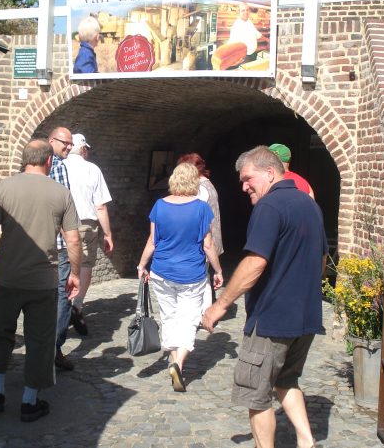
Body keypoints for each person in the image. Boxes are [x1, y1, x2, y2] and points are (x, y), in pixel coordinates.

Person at [202, 145, 327, 448]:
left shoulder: (269, 207)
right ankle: (307, 441)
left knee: (255, 395)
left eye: (248, 178)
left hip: (271, 319)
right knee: (286, 380)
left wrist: (220, 304)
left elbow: (255, 262)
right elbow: (322, 259)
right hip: (306, 317)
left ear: (270, 172)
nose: (243, 187)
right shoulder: (310, 204)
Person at [0, 139, 81, 423]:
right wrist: (74, 273)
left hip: (5, 277)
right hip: (42, 282)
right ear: (49, 161)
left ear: (24, 160)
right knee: (40, 341)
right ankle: (29, 401)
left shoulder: (4, 188)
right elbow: (73, 239)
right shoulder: (61, 193)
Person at [136, 163, 225, 393]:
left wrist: (142, 264)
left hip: (162, 271)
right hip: (191, 274)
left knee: (169, 316)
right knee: (189, 319)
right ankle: (179, 363)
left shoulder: (159, 206)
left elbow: (153, 241)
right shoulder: (201, 209)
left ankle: (173, 359)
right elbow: (207, 244)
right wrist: (218, 270)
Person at [62, 133, 114, 335]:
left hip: (61, 223)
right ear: (83, 149)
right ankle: (77, 304)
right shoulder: (92, 169)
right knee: (84, 264)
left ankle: (62, 304)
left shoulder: (59, 166)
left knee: (62, 261)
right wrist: (108, 234)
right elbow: (100, 206)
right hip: (85, 223)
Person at [48, 126, 79, 371]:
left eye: (70, 144)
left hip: (39, 245)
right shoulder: (58, 166)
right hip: (58, 246)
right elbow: (61, 209)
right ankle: (53, 348)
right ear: (51, 141)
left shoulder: (34, 166)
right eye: (64, 143)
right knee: (63, 294)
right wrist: (70, 242)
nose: (68, 147)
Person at [176, 153, 223, 306]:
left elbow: (192, 216)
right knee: (204, 278)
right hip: (208, 239)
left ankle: (204, 311)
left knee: (201, 281)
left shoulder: (201, 189)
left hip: (202, 241)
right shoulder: (208, 185)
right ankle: (205, 310)